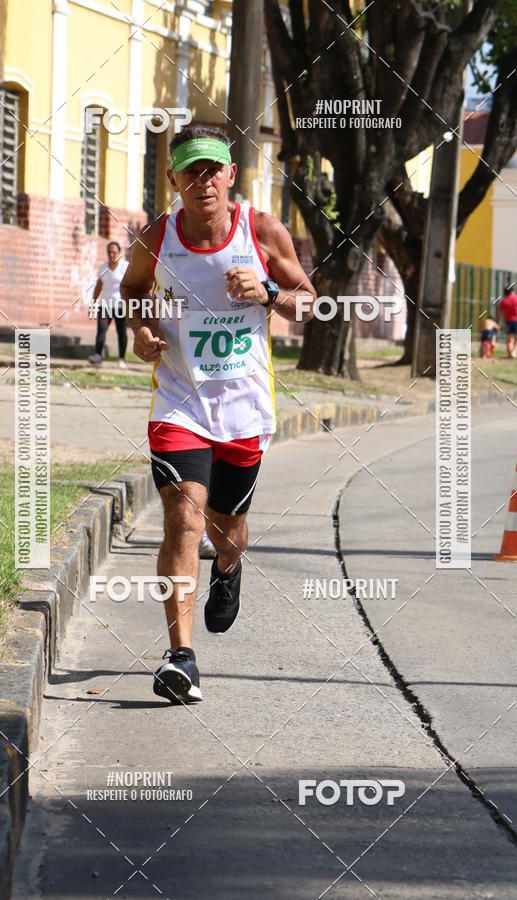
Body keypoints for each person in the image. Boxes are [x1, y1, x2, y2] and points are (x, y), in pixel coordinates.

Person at [121, 124, 316, 704]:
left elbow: (308, 299)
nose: (203, 180)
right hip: (179, 400)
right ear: (173, 179)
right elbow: (132, 291)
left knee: (224, 528)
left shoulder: (260, 230)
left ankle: (228, 569)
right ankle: (180, 657)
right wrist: (142, 328)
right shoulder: (158, 236)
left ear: (231, 174)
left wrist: (267, 294)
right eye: (191, 170)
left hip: (244, 407)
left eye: (214, 169)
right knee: (184, 515)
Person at [89, 241, 130, 368]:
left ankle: (121, 358)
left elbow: (131, 286)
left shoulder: (125, 267)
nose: (112, 255)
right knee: (101, 329)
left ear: (119, 253)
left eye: (114, 252)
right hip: (105, 305)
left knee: (121, 332)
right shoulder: (103, 267)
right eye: (109, 252)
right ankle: (97, 356)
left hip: (121, 306)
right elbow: (99, 286)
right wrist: (93, 302)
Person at [498, 284, 517, 359]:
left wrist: (498, 324)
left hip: (508, 321)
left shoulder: (503, 301)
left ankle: (511, 354)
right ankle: (514, 352)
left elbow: (500, 314)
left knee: (509, 339)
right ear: (512, 291)